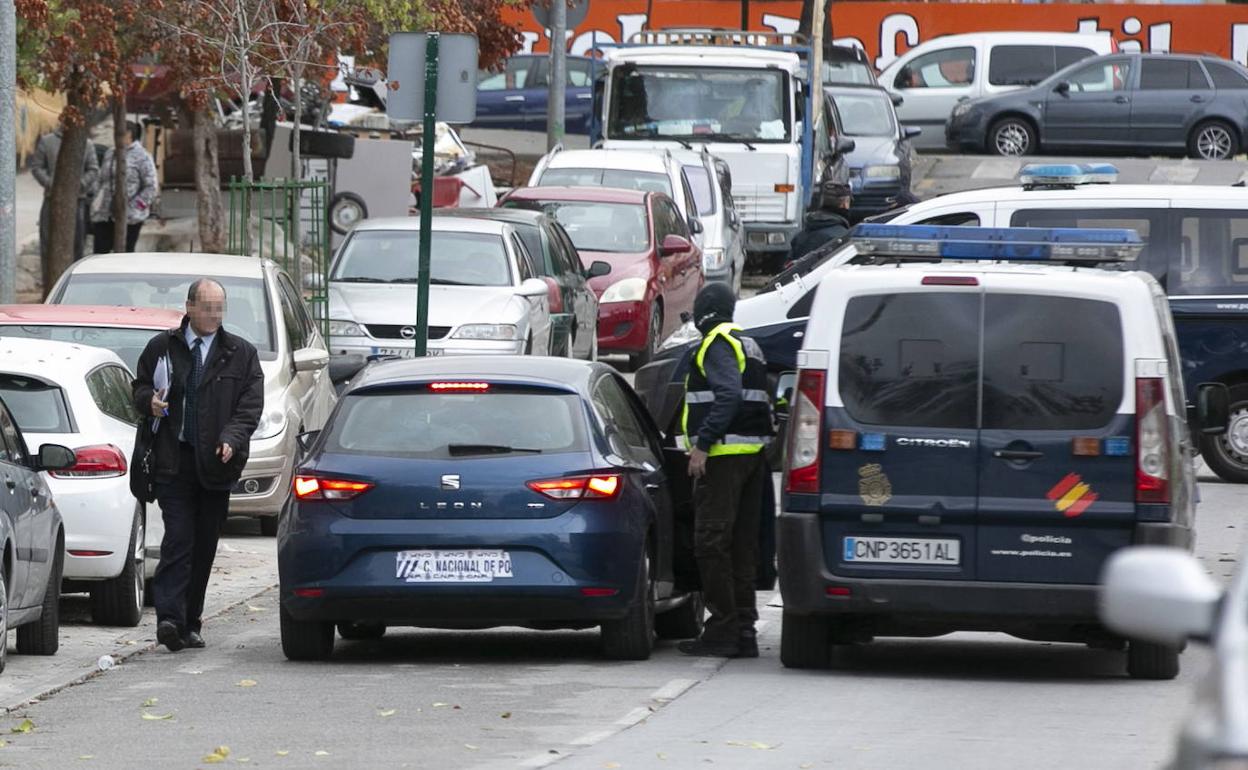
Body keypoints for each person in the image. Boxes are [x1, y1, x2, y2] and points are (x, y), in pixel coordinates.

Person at [131, 279, 263, 652]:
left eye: (220, 307)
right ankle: (169, 619)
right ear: (189, 307)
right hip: (173, 461)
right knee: (178, 541)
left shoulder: (240, 353)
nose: (214, 315)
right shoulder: (163, 347)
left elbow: (249, 407)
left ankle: (191, 621)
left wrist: (231, 438)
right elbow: (139, 387)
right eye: (207, 307)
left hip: (216, 464)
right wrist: (149, 403)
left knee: (204, 546)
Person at [678, 283, 774, 658]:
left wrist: (702, 445)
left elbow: (728, 394)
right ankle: (743, 632)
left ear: (705, 311)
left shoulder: (716, 343)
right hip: (752, 458)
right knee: (740, 548)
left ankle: (722, 629)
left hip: (723, 458)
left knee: (710, 543)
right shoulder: (747, 343)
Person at [31, 125, 99, 262]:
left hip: (77, 200)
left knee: (77, 242)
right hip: (51, 198)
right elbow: (37, 167)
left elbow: (93, 169)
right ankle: (49, 280)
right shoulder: (47, 141)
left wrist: (80, 185)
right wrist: (52, 184)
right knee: (47, 241)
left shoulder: (86, 144)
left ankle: (74, 278)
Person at [92, 121, 158, 253]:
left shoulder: (142, 156)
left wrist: (135, 206)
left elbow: (151, 187)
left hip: (130, 217)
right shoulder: (111, 153)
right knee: (100, 254)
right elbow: (101, 179)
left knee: (124, 256)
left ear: (129, 135)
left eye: (120, 133)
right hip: (105, 214)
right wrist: (96, 201)